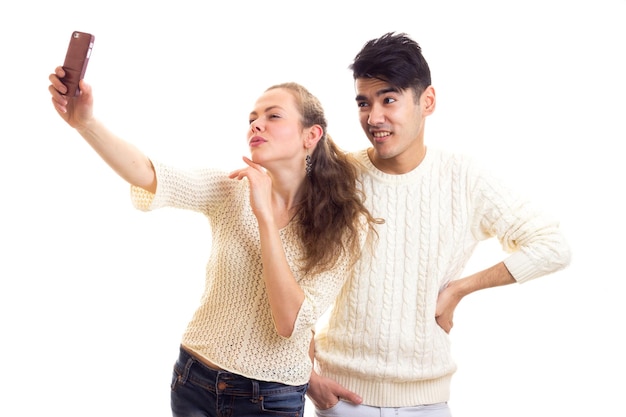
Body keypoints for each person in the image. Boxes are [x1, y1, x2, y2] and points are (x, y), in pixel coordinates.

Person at [48, 67, 381, 417]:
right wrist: (85, 123)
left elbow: (289, 323)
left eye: (273, 116)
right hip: (194, 381)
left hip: (271, 399)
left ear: (310, 135)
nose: (256, 124)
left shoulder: (345, 227)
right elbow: (148, 173)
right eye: (252, 118)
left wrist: (265, 218)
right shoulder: (230, 190)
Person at [306, 32, 572, 417]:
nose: (374, 117)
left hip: (427, 402)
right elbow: (290, 270)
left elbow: (552, 245)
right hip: (344, 398)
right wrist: (308, 376)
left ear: (426, 101)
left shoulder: (463, 178)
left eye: (389, 99)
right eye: (364, 102)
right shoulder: (340, 176)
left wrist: (459, 289)